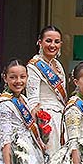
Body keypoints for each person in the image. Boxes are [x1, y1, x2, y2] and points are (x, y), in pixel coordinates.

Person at [25, 25, 68, 155]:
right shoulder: (34, 66)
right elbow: (33, 99)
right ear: (40, 42)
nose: (52, 45)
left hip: (60, 117)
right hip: (45, 118)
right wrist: (38, 126)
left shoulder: (58, 66)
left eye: (56, 42)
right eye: (48, 41)